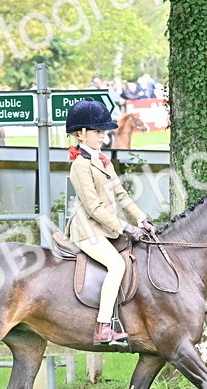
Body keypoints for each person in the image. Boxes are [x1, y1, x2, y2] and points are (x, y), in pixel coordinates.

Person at [64, 99, 153, 346]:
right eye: (97, 132)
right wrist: (125, 227)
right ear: (80, 135)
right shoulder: (80, 166)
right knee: (116, 265)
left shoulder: (104, 161)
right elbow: (93, 208)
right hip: (87, 230)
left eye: (103, 132)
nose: (103, 137)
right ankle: (103, 327)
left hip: (106, 228)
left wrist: (141, 218)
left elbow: (121, 195)